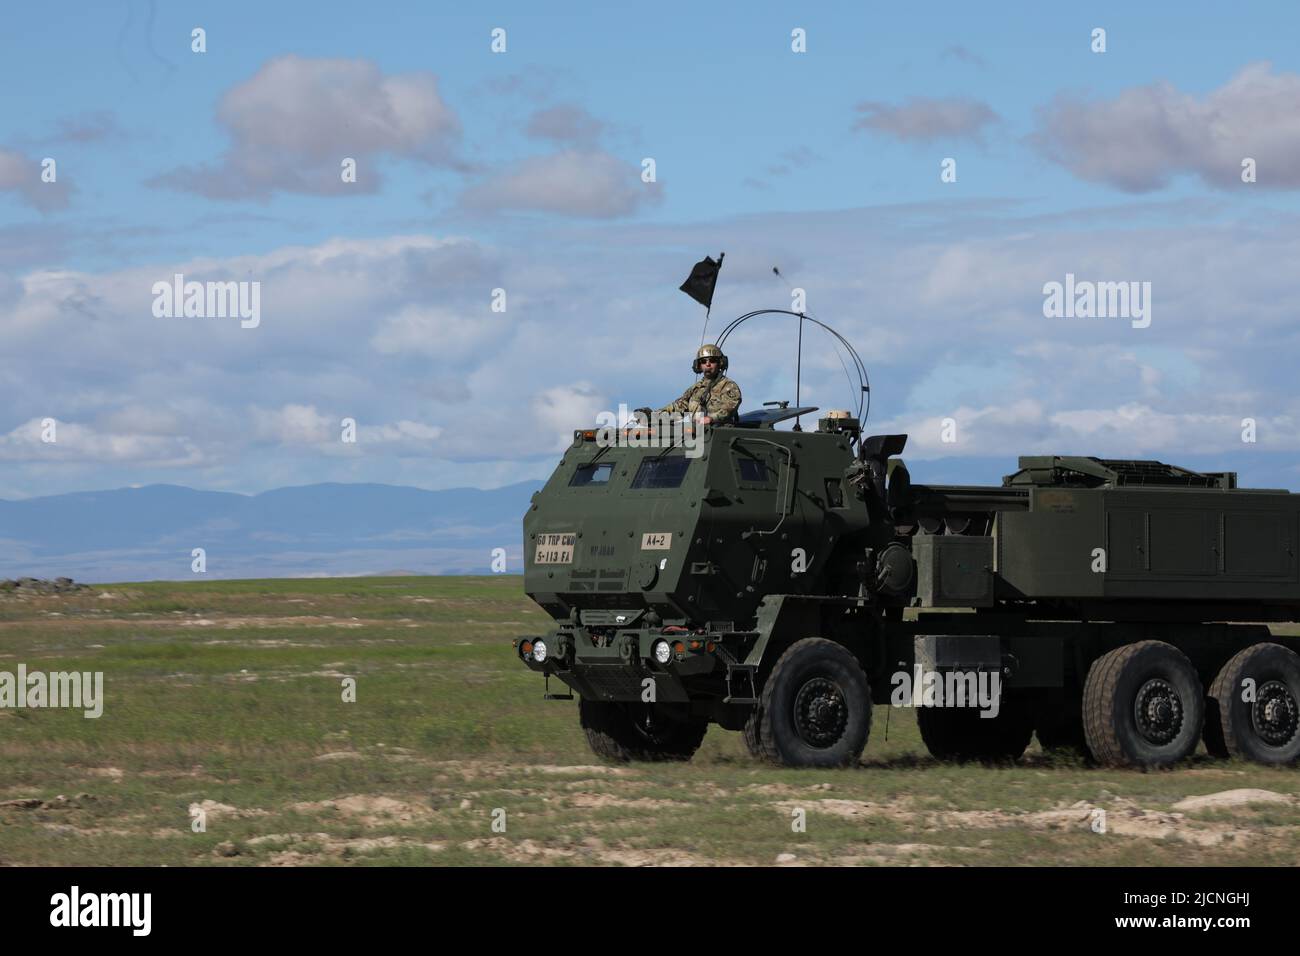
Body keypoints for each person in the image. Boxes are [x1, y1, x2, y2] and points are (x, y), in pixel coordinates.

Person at [657, 344, 742, 426]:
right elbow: (679, 406)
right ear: (698, 366)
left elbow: (730, 407)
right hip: (694, 433)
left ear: (721, 363)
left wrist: (711, 418)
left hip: (717, 433)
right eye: (703, 361)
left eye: (712, 361)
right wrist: (657, 414)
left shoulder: (728, 386)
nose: (708, 364)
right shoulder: (695, 389)